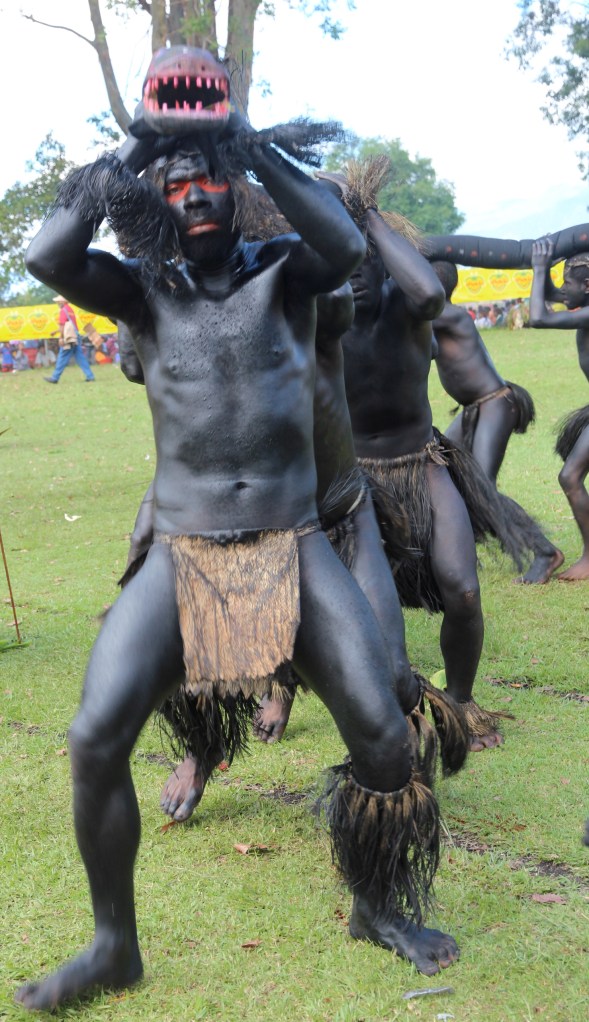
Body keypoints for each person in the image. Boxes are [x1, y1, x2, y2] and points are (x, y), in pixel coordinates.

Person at [17, 86, 457, 1010]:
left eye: (208, 180)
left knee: (380, 733)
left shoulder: (287, 276)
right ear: (157, 204)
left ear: (234, 189)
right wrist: (137, 151)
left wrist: (247, 146)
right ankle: (112, 946)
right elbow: (46, 251)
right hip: (183, 555)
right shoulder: (140, 294)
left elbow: (341, 240)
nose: (194, 197)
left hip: (293, 544)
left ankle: (375, 908)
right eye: (175, 187)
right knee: (95, 737)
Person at [320, 160, 515, 754]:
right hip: (351, 482)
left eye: (363, 257)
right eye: (339, 259)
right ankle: (289, 690)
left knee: (462, 590)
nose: (351, 273)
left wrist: (364, 209)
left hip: (423, 463)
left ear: (383, 257)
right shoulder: (319, 316)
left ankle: (459, 702)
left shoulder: (410, 305)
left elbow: (429, 289)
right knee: (338, 605)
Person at [431, 260, 563, 584]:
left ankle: (545, 552)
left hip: (494, 405)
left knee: (482, 486)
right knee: (440, 467)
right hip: (474, 408)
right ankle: (465, 545)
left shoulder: (445, 315)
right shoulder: (436, 317)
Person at [529, 239, 589, 580]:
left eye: (570, 283)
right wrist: (545, 264)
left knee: (570, 476)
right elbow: (554, 294)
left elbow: (538, 317)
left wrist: (540, 268)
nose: (563, 289)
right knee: (571, 475)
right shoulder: (582, 302)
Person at [44, 296, 95, 383]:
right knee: (80, 357)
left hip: (69, 338)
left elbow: (63, 326)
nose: (58, 303)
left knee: (62, 356)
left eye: (58, 302)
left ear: (62, 302)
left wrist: (60, 338)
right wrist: (56, 331)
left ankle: (55, 377)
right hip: (75, 336)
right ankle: (90, 376)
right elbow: (70, 326)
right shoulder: (70, 309)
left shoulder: (63, 310)